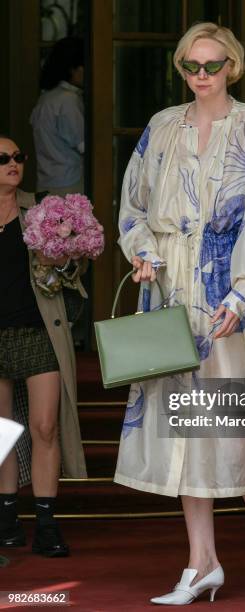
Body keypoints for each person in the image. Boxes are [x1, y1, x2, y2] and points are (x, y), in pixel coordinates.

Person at [115, 22, 245, 606]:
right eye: (190, 67)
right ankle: (202, 563)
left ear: (234, 67)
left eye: (212, 66)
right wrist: (142, 253)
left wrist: (243, 294)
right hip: (169, 294)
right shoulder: (160, 127)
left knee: (242, 428)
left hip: (228, 296)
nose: (201, 77)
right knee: (185, 431)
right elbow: (132, 204)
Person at [0, 136, 87, 557]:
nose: (13, 163)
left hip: (37, 333)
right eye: (3, 159)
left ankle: (47, 522)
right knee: (2, 433)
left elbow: (74, 269)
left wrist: (63, 259)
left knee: (45, 426)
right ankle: (7, 516)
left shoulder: (42, 211)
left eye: (19, 157)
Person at [30, 37, 84, 195]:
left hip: (46, 179)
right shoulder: (68, 100)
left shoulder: (46, 98)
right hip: (69, 182)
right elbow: (83, 144)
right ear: (73, 69)